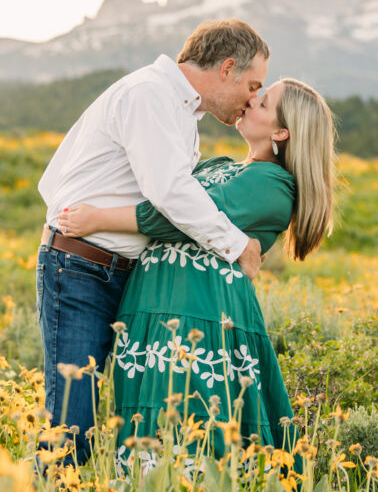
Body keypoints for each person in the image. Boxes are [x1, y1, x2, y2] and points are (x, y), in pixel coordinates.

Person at [57, 78, 336, 465]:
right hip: (154, 307)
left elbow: (176, 215)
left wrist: (98, 219)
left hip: (196, 313)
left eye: (264, 102)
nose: (251, 101)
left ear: (281, 132)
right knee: (143, 427)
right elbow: (165, 190)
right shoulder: (223, 167)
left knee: (189, 430)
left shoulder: (274, 186)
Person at [36, 19, 270, 466]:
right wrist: (236, 245)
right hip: (81, 271)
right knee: (71, 425)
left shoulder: (178, 110)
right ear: (227, 69)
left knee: (111, 421)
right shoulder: (149, 94)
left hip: (119, 274)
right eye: (252, 86)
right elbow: (170, 192)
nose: (251, 99)